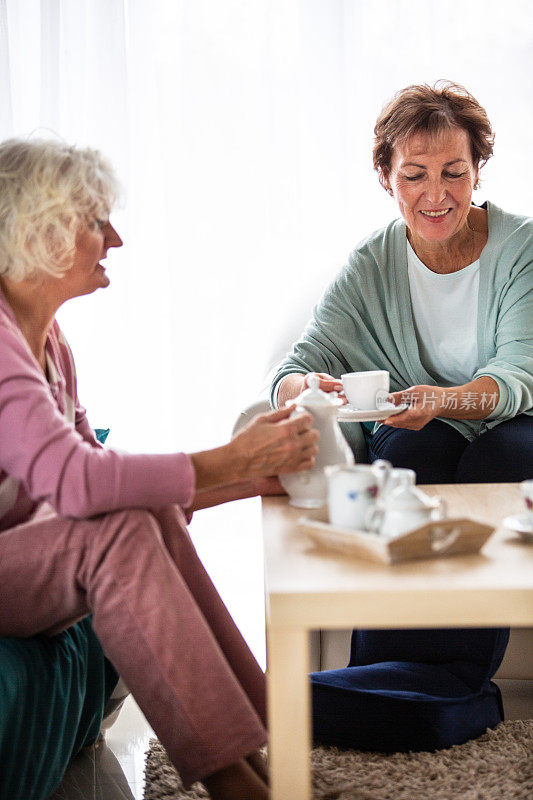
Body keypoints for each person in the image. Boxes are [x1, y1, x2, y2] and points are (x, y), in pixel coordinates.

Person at [0, 138, 320, 800]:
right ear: (41, 230)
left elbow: (97, 470)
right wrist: (233, 456)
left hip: (22, 558)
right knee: (112, 532)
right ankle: (234, 782)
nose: (113, 238)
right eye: (95, 221)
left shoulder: (50, 340)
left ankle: (261, 753)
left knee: (133, 518)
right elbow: (75, 483)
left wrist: (251, 478)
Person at [271, 82, 533, 751]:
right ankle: (392, 677)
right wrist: (309, 386)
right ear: (385, 176)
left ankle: (440, 680)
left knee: (493, 458)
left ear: (478, 171)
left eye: (454, 172)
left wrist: (442, 398)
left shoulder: (519, 247)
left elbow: (519, 377)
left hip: (516, 422)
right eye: (413, 175)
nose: (436, 194)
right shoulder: (372, 262)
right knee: (402, 453)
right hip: (428, 427)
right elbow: (297, 365)